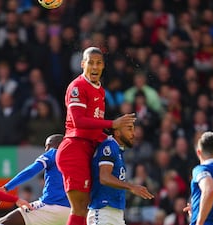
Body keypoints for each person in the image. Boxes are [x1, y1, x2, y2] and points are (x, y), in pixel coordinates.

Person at [55, 46, 136, 225]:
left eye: (98, 63)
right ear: (83, 64)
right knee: (79, 207)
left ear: (103, 66)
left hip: (87, 149)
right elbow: (78, 121)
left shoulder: (99, 90)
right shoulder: (77, 86)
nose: (94, 66)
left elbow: (94, 128)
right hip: (74, 149)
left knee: (83, 207)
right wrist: (112, 124)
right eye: (90, 62)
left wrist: (109, 138)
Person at [0, 134, 70, 225]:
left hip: (51, 206)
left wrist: (6, 188)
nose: (45, 150)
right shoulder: (78, 160)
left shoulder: (53, 153)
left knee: (2, 222)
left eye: (47, 146)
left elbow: (31, 171)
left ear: (53, 145)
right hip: (72, 212)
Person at [88, 123, 154, 225]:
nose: (133, 134)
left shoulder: (118, 150)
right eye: (129, 130)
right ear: (117, 132)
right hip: (103, 210)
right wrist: (131, 187)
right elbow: (104, 177)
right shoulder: (109, 146)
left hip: (116, 212)